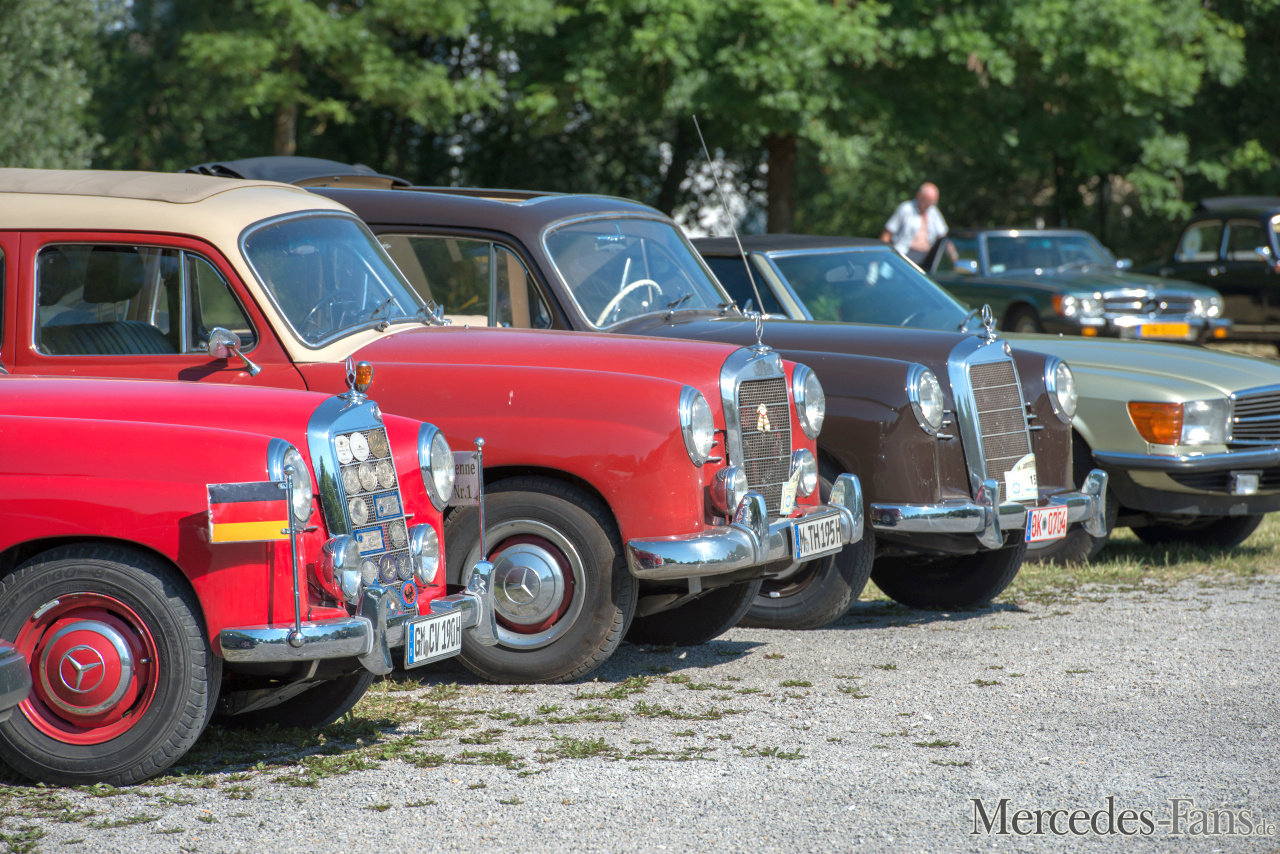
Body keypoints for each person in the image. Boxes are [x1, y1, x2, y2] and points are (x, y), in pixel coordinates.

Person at [880, 182, 947, 265]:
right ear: (919, 196)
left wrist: (954, 259)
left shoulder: (933, 211)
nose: (929, 205)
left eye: (932, 203)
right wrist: (883, 255)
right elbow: (887, 233)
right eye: (926, 201)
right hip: (904, 253)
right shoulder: (906, 209)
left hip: (926, 257)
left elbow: (944, 236)